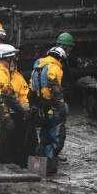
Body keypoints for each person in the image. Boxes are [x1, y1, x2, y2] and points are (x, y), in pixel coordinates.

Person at [30, 47, 67, 175]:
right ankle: (49, 168)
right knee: (57, 140)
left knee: (44, 139)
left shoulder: (37, 68)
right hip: (54, 109)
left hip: (42, 109)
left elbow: (31, 92)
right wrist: (61, 106)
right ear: (60, 58)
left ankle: (37, 167)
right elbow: (54, 86)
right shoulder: (54, 66)